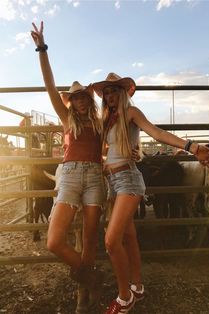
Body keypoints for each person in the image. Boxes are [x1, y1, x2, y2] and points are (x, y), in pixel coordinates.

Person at [92, 72, 209, 314]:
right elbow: (109, 151)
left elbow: (157, 133)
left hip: (128, 179)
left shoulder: (132, 113)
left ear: (122, 92)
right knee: (128, 237)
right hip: (112, 182)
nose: (109, 96)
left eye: (113, 91)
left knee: (110, 241)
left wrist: (192, 146)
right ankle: (137, 286)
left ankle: (124, 297)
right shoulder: (107, 119)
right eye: (106, 92)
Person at [31, 21, 106, 313]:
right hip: (72, 174)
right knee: (54, 241)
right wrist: (42, 48)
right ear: (71, 102)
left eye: (84, 97)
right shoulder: (66, 119)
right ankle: (93, 277)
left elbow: (117, 136)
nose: (80, 101)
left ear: (89, 99)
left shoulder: (99, 124)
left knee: (89, 238)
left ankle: (83, 294)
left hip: (95, 177)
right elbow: (50, 83)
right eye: (75, 98)